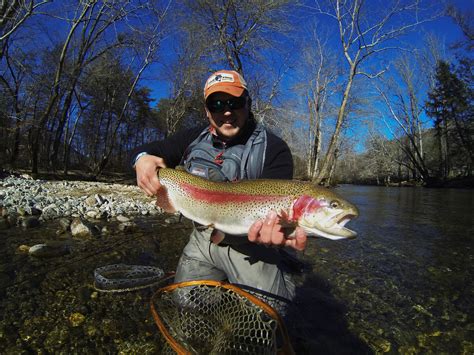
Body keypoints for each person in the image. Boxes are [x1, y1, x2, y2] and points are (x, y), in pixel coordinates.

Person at [131, 69, 307, 302]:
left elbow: (280, 207)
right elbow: (145, 152)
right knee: (185, 302)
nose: (226, 111)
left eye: (235, 102)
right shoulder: (193, 137)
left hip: (251, 246)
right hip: (203, 238)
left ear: (248, 103)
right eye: (217, 104)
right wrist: (141, 159)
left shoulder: (274, 149)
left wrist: (281, 230)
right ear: (206, 111)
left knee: (271, 313)